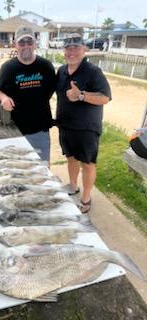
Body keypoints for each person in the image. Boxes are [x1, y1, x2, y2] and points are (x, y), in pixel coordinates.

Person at [56, 33, 111, 213]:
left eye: (76, 48)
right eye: (68, 48)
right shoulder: (62, 71)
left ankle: (86, 198)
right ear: (64, 51)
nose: (72, 52)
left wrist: (81, 95)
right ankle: (73, 186)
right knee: (70, 157)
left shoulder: (93, 71)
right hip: (66, 125)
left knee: (87, 163)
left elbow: (105, 98)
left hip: (87, 128)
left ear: (84, 49)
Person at [0, 25, 56, 162]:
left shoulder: (46, 66)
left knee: (42, 170)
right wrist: (4, 98)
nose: (26, 45)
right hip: (16, 131)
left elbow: (51, 90)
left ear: (35, 44)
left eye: (30, 42)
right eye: (22, 42)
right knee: (20, 172)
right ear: (16, 45)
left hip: (41, 129)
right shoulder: (8, 68)